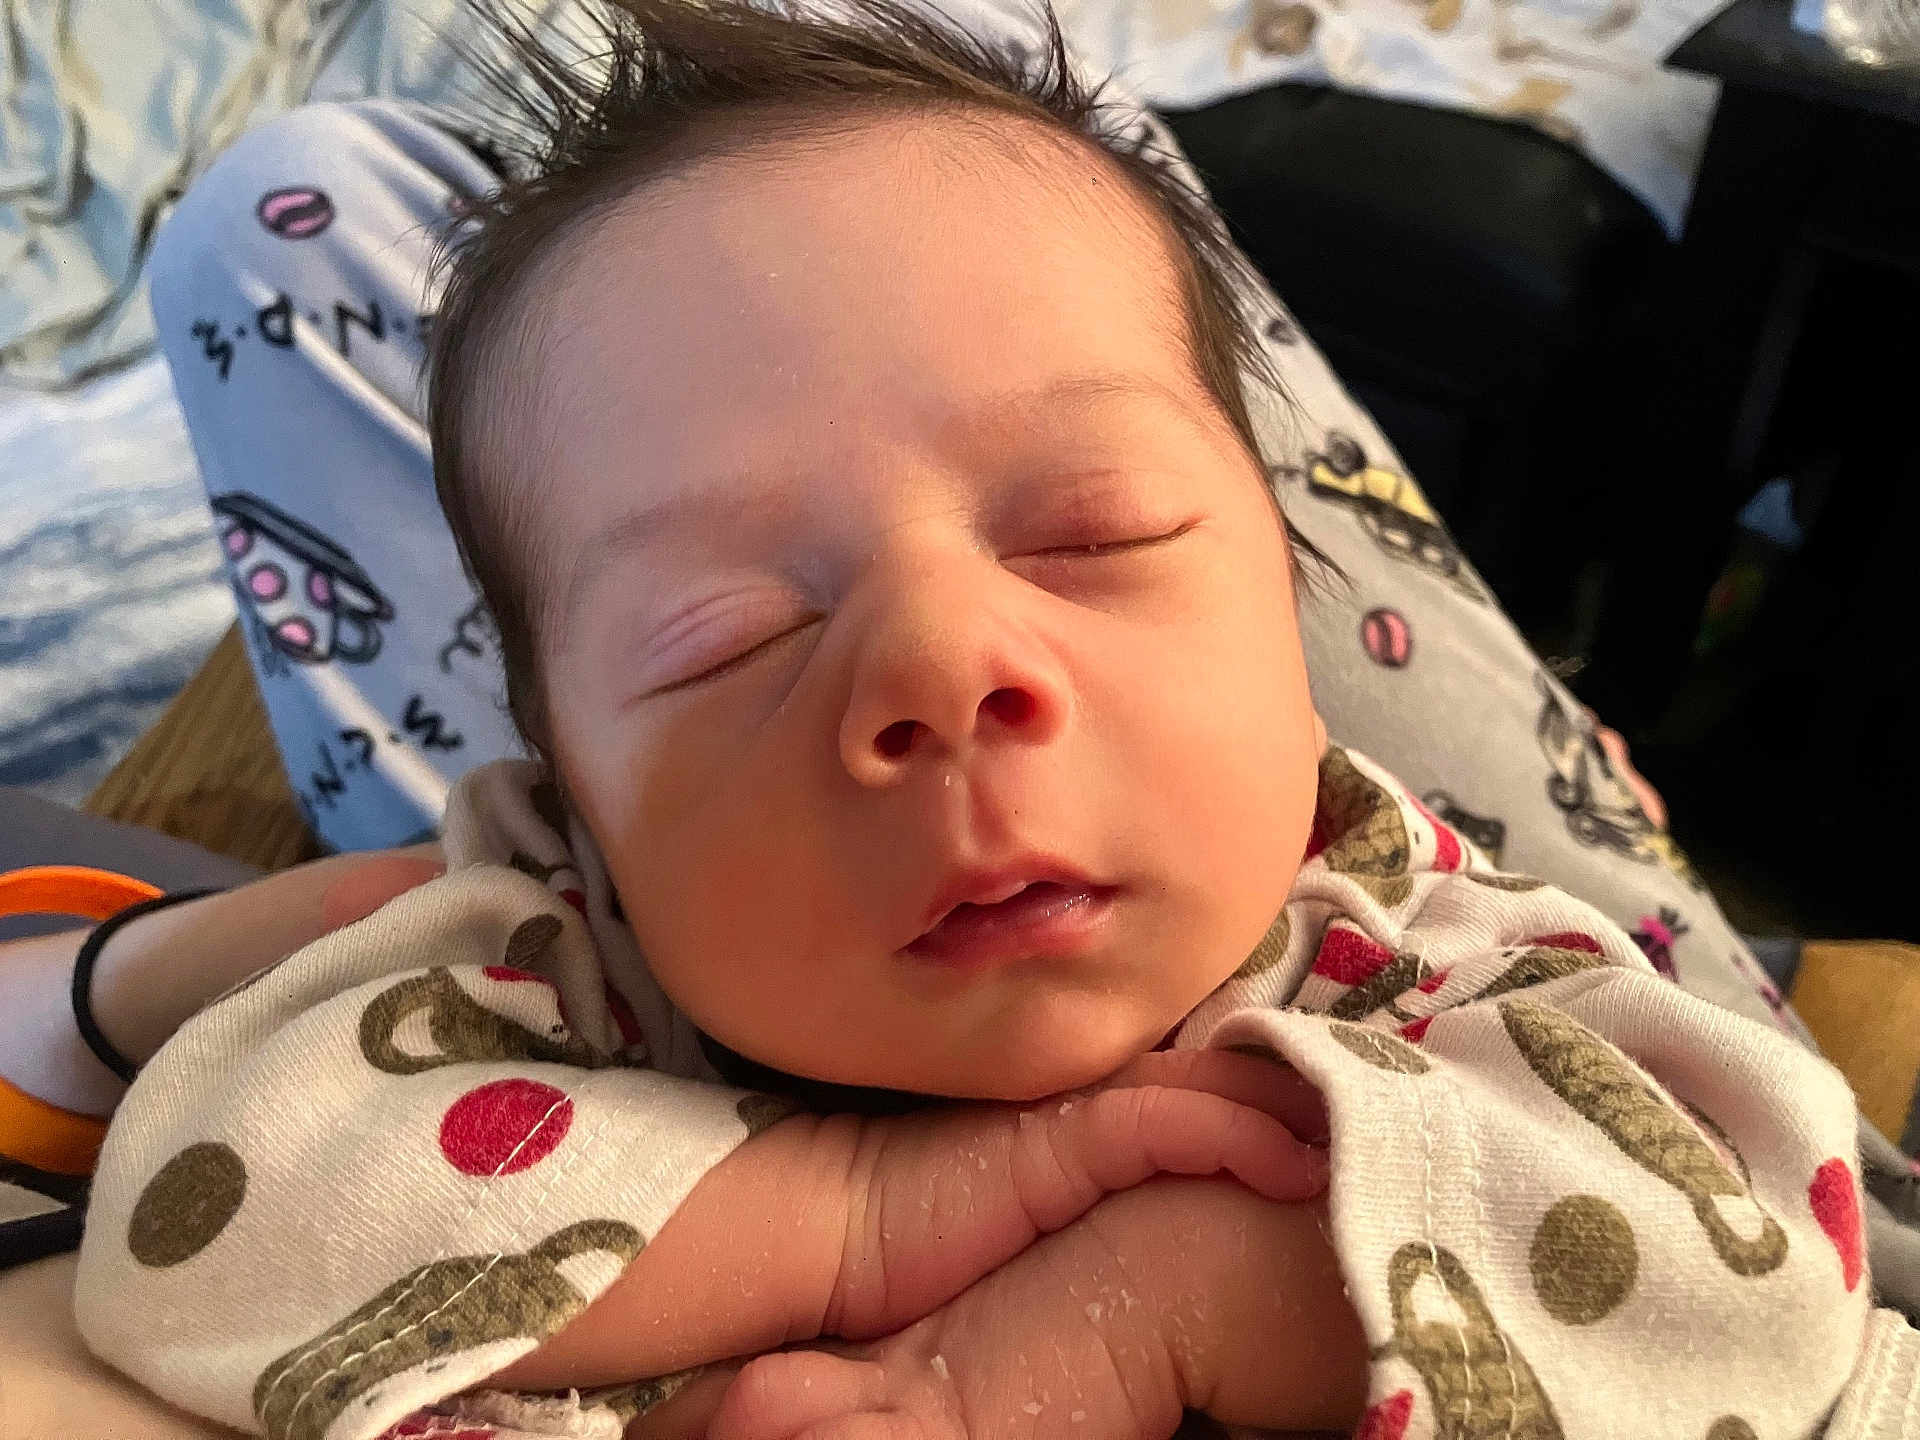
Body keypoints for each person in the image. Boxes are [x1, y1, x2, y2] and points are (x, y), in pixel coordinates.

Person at [10, 0, 1918, 1435]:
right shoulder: (547, 976)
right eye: (725, 635)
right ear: (568, 808)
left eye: (1091, 532)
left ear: (1301, 615)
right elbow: (196, 1229)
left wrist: (1120, 1320)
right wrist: (849, 1216)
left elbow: (1769, 1255)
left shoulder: (1419, 960)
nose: (936, 669)